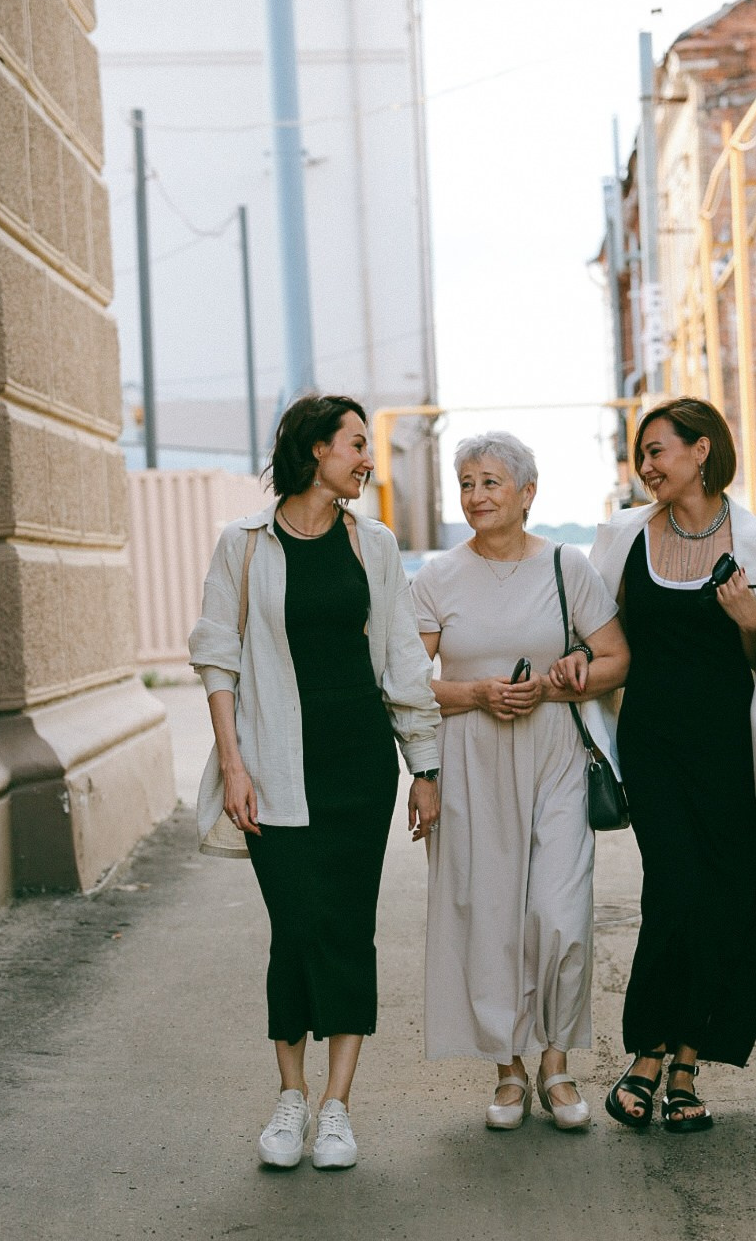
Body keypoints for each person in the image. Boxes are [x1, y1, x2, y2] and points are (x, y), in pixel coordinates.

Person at [188, 394, 441, 1171]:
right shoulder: (246, 544)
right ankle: (289, 1097)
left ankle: (337, 1107)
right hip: (270, 770)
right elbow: (216, 657)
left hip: (357, 768)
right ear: (315, 452)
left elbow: (403, 657)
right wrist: (233, 764)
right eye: (357, 444)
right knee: (296, 929)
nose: (369, 458)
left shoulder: (375, 545)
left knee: (346, 930)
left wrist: (423, 766)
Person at [579, 397, 756, 1133]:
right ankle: (651, 1054)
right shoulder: (621, 538)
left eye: (657, 450)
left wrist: (750, 627)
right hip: (652, 743)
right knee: (675, 891)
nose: (645, 465)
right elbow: (594, 634)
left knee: (731, 900)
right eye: (640, 454)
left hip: (728, 749)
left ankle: (686, 1062)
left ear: (702, 450)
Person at [411, 431, 629, 1130]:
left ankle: (556, 1064)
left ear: (527, 494)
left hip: (556, 756)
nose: (476, 496)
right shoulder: (436, 578)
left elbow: (617, 660)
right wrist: (475, 693)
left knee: (559, 916)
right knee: (489, 917)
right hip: (471, 760)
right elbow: (404, 684)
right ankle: (508, 1070)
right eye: (467, 484)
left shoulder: (568, 567)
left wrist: (567, 680)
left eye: (491, 483)